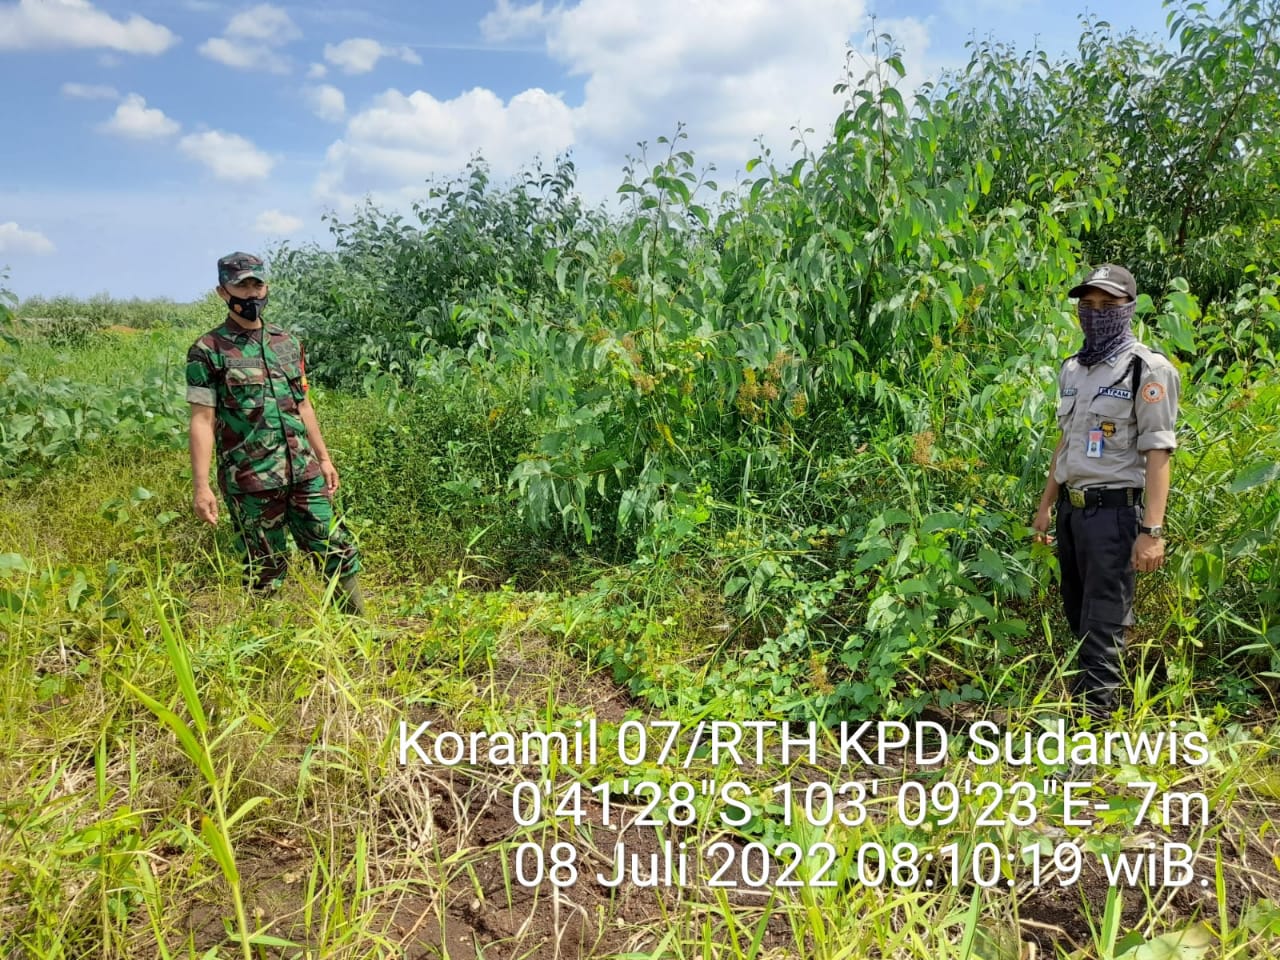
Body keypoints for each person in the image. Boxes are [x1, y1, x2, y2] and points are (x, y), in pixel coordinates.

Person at [1031, 264, 1180, 718]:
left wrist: (1151, 530)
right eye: (1088, 305)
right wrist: (1046, 507)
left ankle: (1090, 740)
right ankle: (1091, 714)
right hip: (1074, 515)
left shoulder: (1147, 369)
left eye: (1108, 305)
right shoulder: (1073, 369)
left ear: (1129, 309)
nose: (1096, 314)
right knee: (1079, 618)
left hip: (1114, 516)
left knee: (1104, 626)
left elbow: (1159, 453)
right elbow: (1066, 442)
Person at [186, 251, 366, 615]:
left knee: (335, 547)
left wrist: (325, 458)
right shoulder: (208, 351)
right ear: (223, 291)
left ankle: (358, 631)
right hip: (251, 480)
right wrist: (201, 486)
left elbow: (303, 405)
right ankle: (270, 647)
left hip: (303, 471)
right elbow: (202, 420)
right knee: (265, 568)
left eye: (257, 284)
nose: (252, 294)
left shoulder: (287, 344)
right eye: (242, 285)